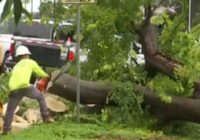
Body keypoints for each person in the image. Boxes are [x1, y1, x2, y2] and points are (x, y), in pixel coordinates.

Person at [2, 45, 53, 135]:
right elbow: (39, 72)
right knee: (40, 97)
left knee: (10, 110)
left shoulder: (16, 66)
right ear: (26, 54)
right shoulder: (31, 62)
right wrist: (47, 76)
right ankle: (46, 117)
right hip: (25, 86)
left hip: (13, 88)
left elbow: (13, 76)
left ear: (19, 56)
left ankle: (6, 130)